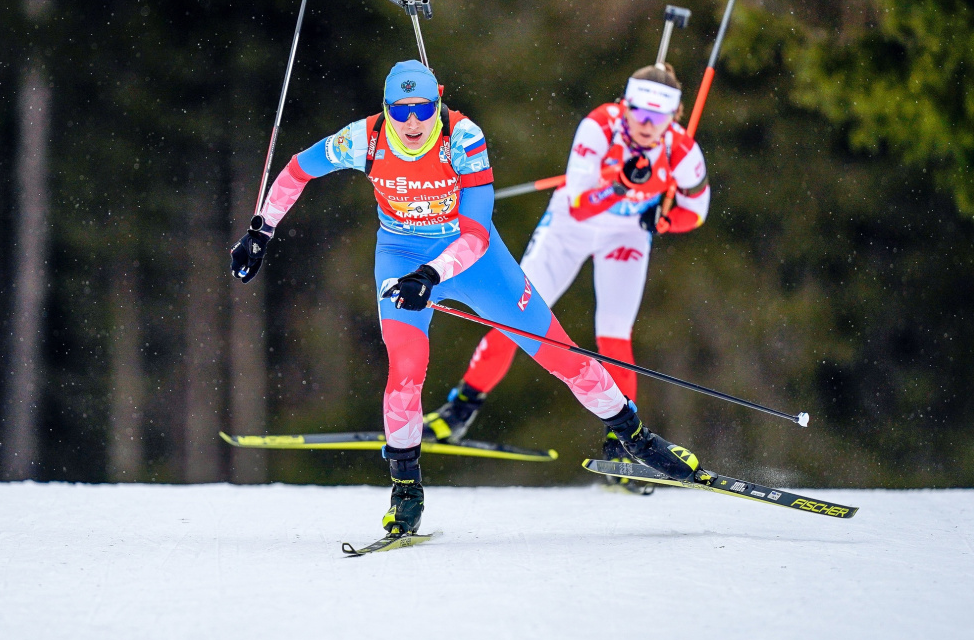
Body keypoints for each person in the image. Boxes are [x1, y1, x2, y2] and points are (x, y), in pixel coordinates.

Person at [230, 60, 702, 534]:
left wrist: (431, 274)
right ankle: (406, 491)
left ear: (438, 103)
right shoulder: (363, 139)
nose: (411, 122)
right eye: (400, 110)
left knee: (563, 356)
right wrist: (262, 230)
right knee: (405, 371)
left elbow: (476, 234)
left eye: (422, 109)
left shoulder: (463, 138)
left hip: (476, 262)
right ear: (385, 109)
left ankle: (637, 440)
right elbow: (297, 170)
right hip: (401, 256)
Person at [425, 64, 710, 491]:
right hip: (569, 228)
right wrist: (620, 185)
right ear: (625, 105)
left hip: (625, 234)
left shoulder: (682, 151)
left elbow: (696, 212)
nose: (647, 125)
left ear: (674, 116)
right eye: (639, 112)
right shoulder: (599, 127)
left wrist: (663, 219)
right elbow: (579, 203)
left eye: (659, 116)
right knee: (512, 317)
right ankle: (459, 412)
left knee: (614, 333)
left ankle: (621, 447)